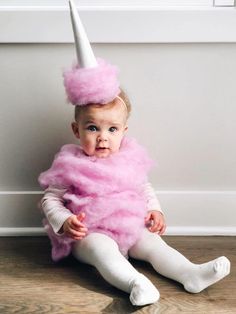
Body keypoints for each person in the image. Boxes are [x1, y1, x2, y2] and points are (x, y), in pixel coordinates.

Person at [38, 0, 230, 306]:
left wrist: (155, 210)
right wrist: (65, 220)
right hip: (88, 233)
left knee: (153, 245)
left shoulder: (129, 158)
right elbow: (50, 198)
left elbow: (143, 187)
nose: (102, 138)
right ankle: (135, 284)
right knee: (103, 251)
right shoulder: (70, 164)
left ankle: (190, 273)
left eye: (112, 130)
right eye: (92, 128)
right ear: (77, 131)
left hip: (128, 224)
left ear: (124, 131)